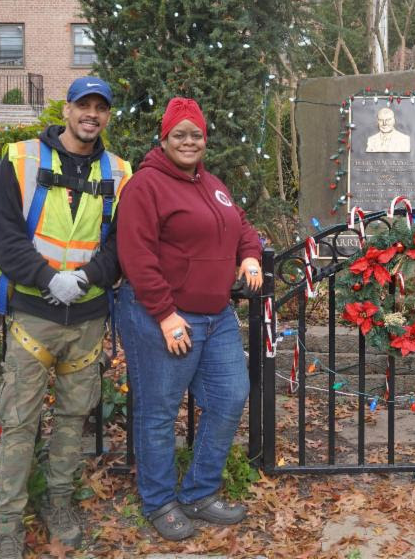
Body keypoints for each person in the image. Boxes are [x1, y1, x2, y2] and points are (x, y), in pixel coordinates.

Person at [0, 77, 132, 559]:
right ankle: (7, 521)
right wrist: (49, 278)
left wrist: (86, 278)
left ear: (107, 116)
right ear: (67, 109)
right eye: (84, 105)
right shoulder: (22, 158)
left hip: (88, 317)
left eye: (100, 107)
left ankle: (60, 503)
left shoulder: (120, 171)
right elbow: (4, 236)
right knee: (19, 420)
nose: (92, 114)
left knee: (72, 419)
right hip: (34, 313)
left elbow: (119, 245)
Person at [116, 97, 264, 541]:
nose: (188, 141)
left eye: (196, 134)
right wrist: (164, 313)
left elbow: (240, 225)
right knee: (159, 412)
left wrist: (251, 257)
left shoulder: (212, 183)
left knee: (231, 395)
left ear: (205, 140)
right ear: (163, 138)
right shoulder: (146, 186)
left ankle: (199, 491)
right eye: (179, 134)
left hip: (216, 316)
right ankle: (159, 501)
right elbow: (136, 257)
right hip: (163, 316)